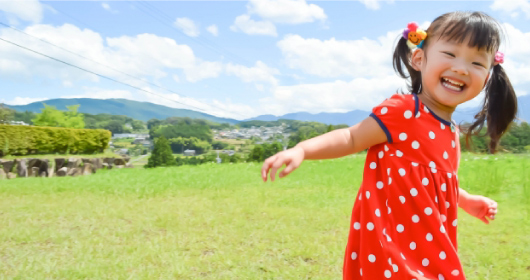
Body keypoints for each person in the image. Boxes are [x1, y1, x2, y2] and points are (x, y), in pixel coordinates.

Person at [261, 11, 517, 280]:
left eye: (477, 62)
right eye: (451, 54)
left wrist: (466, 201)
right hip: (393, 249)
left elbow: (436, 184)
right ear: (419, 58)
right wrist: (302, 149)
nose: (462, 68)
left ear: (487, 77)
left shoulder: (450, 132)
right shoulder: (405, 111)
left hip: (430, 249)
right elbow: (352, 137)